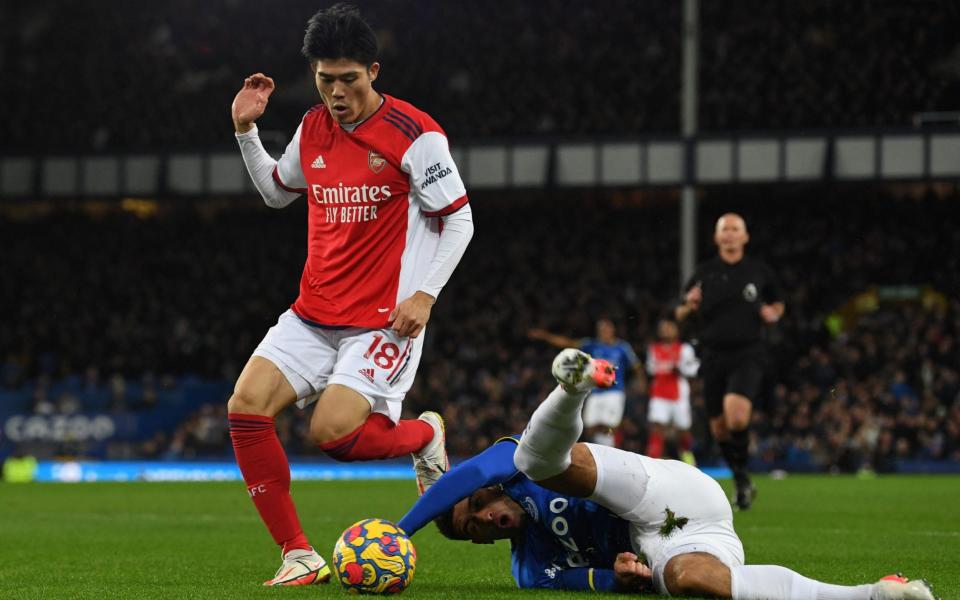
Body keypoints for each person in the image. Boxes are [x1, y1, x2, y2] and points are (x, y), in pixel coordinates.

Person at [227, 3, 473, 585]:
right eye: (324, 79)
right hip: (313, 312)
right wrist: (246, 131)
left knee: (332, 435)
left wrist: (425, 297)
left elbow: (459, 221)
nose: (336, 92)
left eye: (348, 79)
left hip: (383, 321)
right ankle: (298, 554)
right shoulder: (313, 126)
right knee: (245, 407)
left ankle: (424, 434)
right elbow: (276, 191)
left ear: (374, 71)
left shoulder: (416, 134)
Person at [397, 349, 937, 599]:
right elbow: (587, 581)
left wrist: (402, 532)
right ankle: (874, 594)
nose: (490, 520)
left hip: (658, 490)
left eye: (477, 508)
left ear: (482, 492)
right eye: (477, 530)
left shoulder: (503, 472)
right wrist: (623, 578)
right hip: (675, 536)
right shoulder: (527, 569)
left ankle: (574, 385)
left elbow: (469, 474)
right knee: (692, 584)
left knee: (539, 463)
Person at [674, 213, 783, 510]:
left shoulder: (758, 271)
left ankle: (742, 476)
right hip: (711, 355)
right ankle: (741, 478)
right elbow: (680, 314)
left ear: (745, 236)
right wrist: (689, 305)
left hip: (748, 352)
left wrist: (773, 313)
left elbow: (777, 302)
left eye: (736, 229)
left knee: (736, 417)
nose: (731, 234)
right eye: (725, 230)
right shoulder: (704, 273)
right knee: (720, 429)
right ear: (717, 237)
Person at [528, 318, 642, 446]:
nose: (604, 331)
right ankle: (599, 451)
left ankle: (610, 452)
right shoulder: (591, 345)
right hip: (595, 391)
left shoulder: (622, 347)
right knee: (590, 427)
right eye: (601, 329)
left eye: (606, 328)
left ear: (613, 329)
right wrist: (545, 336)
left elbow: (636, 365)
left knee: (610, 426)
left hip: (614, 392)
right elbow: (568, 343)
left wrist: (641, 383)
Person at [645, 317, 699, 464]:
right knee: (657, 427)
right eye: (663, 327)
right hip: (659, 394)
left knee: (683, 431)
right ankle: (653, 462)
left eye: (669, 327)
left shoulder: (685, 349)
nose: (666, 330)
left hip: (679, 394)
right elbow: (651, 370)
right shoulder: (653, 349)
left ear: (676, 330)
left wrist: (680, 369)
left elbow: (693, 370)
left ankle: (688, 458)